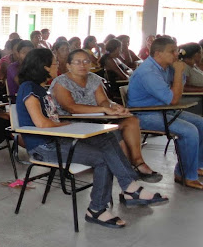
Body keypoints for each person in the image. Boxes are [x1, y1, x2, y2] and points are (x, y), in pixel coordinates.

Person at [16, 48, 168, 229]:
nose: (57, 65)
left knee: (107, 137)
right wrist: (70, 126)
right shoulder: (28, 88)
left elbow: (51, 121)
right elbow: (42, 124)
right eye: (55, 63)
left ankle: (130, 188)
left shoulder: (40, 89)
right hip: (44, 148)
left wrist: (69, 126)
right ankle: (97, 209)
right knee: (102, 159)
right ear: (44, 66)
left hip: (58, 140)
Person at [50, 49, 162, 182]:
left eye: (86, 61)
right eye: (77, 62)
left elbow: (103, 100)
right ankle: (129, 176)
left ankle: (138, 162)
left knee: (131, 121)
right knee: (115, 135)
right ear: (68, 65)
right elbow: (71, 107)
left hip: (97, 120)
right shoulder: (61, 82)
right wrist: (104, 109)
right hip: (74, 125)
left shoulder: (93, 78)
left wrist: (113, 106)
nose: (82, 65)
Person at [127, 36, 203, 189]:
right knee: (189, 131)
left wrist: (177, 72)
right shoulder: (148, 72)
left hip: (161, 110)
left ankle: (195, 166)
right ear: (158, 53)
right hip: (144, 114)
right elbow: (174, 99)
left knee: (201, 124)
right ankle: (186, 175)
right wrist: (179, 72)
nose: (177, 54)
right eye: (172, 51)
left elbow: (175, 95)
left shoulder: (164, 68)